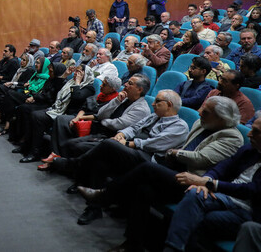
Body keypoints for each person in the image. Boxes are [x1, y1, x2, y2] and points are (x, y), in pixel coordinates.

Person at [80, 96, 244, 250]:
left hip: (195, 183)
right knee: (143, 189)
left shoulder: (231, 137)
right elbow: (187, 149)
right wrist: (175, 155)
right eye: (202, 108)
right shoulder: (201, 123)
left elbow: (201, 159)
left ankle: (105, 195)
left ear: (222, 119)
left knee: (146, 168)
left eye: (206, 112)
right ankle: (132, 245)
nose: (199, 113)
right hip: (175, 170)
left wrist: (174, 153)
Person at [53, 89, 189, 224]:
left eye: (157, 101)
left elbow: (155, 144)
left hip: (149, 159)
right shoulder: (154, 116)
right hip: (133, 152)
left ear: (169, 105)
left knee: (108, 144)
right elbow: (134, 127)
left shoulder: (180, 126)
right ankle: (94, 209)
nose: (153, 104)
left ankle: (74, 164)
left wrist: (128, 143)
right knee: (101, 162)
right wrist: (122, 134)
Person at [161, 116, 261, 251]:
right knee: (194, 193)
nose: (249, 134)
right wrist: (205, 181)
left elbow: (251, 190)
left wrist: (211, 183)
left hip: (247, 211)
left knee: (201, 218)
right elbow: (223, 167)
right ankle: (172, 248)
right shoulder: (249, 149)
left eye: (256, 131)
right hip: (224, 197)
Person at [43, 74, 150, 167]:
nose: (125, 84)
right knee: (68, 138)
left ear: (139, 89)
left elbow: (118, 124)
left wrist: (103, 121)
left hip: (111, 137)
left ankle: (67, 166)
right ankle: (61, 161)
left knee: (75, 145)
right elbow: (101, 114)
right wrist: (116, 101)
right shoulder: (123, 98)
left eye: (130, 83)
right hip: (101, 131)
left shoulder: (141, 108)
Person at [15, 65, 96, 163]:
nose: (75, 74)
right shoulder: (70, 82)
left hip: (69, 114)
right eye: (75, 72)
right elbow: (56, 88)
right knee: (32, 114)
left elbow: (77, 97)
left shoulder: (89, 88)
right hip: (58, 109)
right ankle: (26, 146)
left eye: (78, 72)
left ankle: (35, 153)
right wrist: (65, 75)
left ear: (85, 74)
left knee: (37, 116)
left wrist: (78, 83)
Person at [0, 53, 36, 135]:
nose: (22, 62)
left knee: (3, 92)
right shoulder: (20, 69)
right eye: (22, 59)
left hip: (18, 90)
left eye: (24, 60)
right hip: (12, 87)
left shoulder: (30, 70)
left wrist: (12, 83)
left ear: (29, 62)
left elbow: (24, 84)